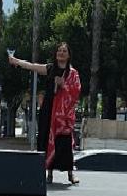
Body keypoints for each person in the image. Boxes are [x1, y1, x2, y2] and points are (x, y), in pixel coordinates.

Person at [8, 42, 81, 184]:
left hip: (63, 115)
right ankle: (49, 173)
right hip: (48, 110)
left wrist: (63, 85)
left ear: (69, 55)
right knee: (46, 139)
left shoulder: (73, 74)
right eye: (59, 50)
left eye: (64, 51)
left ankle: (70, 174)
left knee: (65, 143)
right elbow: (31, 66)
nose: (61, 53)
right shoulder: (50, 68)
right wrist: (16, 61)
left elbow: (76, 91)